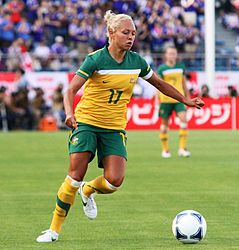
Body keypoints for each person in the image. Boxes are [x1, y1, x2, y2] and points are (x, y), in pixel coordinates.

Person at [36, 10, 204, 243]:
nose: (130, 37)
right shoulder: (95, 59)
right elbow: (70, 90)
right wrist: (69, 113)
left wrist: (185, 99)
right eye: (126, 32)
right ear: (111, 33)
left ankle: (89, 191)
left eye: (133, 33)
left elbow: (159, 84)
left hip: (114, 127)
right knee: (75, 175)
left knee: (114, 181)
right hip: (86, 122)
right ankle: (53, 230)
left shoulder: (136, 61)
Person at [157, 46, 191, 158]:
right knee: (164, 126)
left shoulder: (181, 67)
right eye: (170, 53)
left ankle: (182, 148)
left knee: (184, 120)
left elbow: (184, 83)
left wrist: (188, 97)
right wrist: (157, 100)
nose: (172, 55)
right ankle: (165, 150)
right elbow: (158, 85)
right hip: (165, 100)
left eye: (174, 53)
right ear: (166, 55)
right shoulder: (162, 69)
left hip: (179, 99)